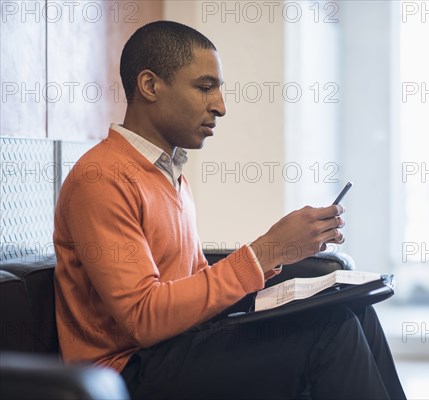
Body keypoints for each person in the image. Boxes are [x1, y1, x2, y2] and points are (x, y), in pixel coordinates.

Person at [53, 20, 407, 400]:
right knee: (331, 332)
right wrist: (265, 249)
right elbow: (143, 317)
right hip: (129, 372)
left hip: (179, 346)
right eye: (205, 87)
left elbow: (191, 284)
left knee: (354, 314)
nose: (220, 106)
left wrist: (284, 263)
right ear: (150, 86)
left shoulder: (168, 175)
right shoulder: (101, 178)